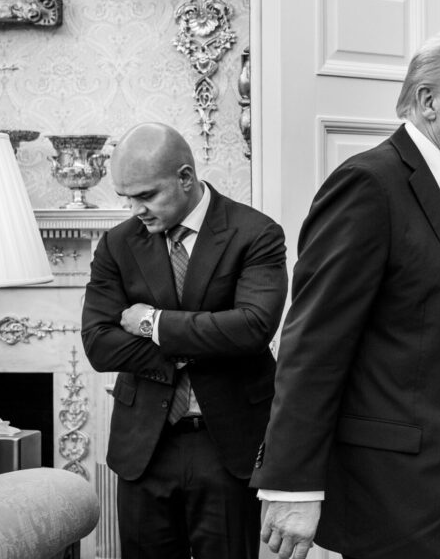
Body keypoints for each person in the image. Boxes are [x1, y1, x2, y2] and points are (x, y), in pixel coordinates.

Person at [251, 31, 440, 559]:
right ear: (427, 101)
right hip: (394, 495)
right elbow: (313, 345)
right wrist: (293, 485)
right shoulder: (370, 184)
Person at [81, 122, 288, 559]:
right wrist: (194, 345)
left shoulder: (256, 233)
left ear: (185, 178)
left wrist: (151, 322)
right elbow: (99, 343)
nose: (135, 208)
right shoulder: (117, 245)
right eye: (127, 198)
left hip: (226, 443)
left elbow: (252, 328)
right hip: (144, 449)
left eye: (146, 195)